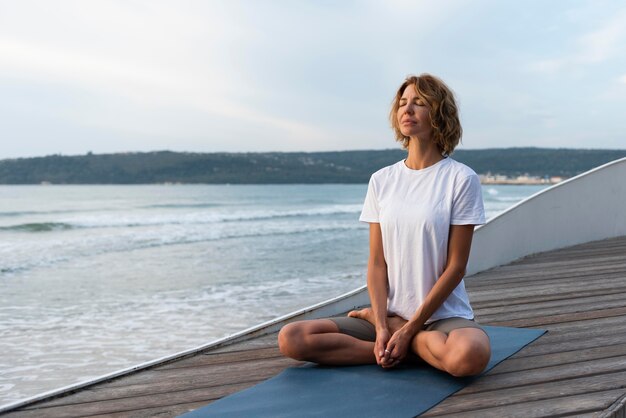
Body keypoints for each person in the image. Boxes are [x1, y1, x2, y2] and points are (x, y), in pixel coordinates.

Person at [277, 74, 491, 377]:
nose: (407, 110)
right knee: (292, 338)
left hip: (441, 317)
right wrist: (380, 325)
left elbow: (456, 267)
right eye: (403, 103)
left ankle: (405, 341)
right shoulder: (382, 180)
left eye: (419, 103)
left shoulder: (460, 179)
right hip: (387, 315)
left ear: (439, 113)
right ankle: (402, 347)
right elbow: (377, 263)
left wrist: (408, 329)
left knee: (470, 356)